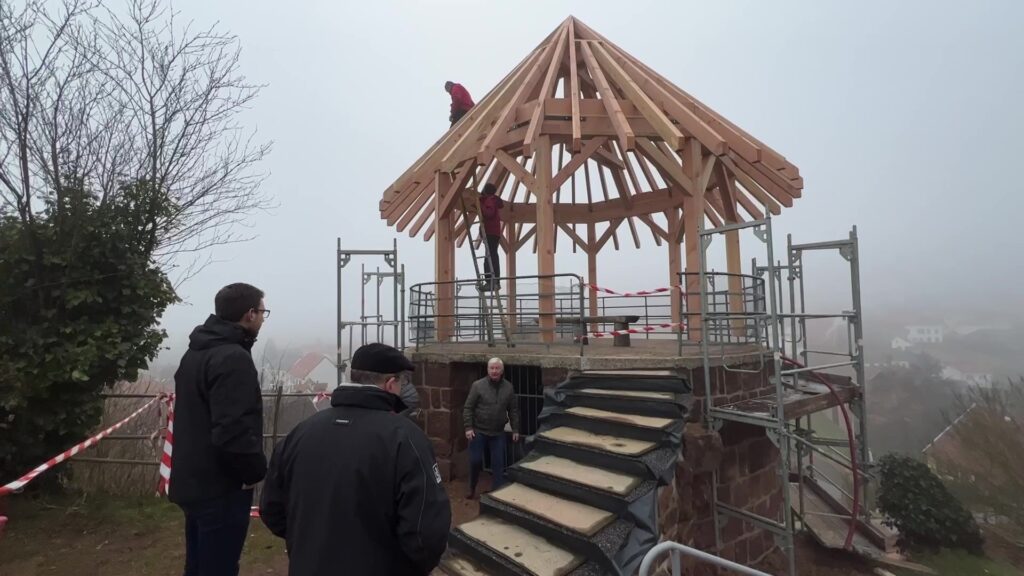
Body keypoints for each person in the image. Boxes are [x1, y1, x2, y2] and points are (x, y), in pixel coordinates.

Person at [261, 343, 451, 576]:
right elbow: (426, 533)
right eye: (402, 383)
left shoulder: (301, 432)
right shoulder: (407, 438)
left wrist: (308, 546)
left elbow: (271, 509)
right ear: (391, 384)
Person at [169, 283, 269, 576]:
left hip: (192, 479)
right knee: (219, 567)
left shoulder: (197, 352)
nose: (263, 318)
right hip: (221, 485)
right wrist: (253, 472)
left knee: (199, 565)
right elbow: (232, 428)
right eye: (263, 312)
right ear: (249, 314)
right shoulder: (232, 358)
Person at [463, 357, 519, 499]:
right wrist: (468, 427)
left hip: (498, 432)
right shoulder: (477, 386)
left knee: (498, 464)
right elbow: (468, 407)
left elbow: (513, 410)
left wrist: (515, 429)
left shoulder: (508, 387)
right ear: (487, 370)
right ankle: (471, 487)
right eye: (491, 368)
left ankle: (497, 493)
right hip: (478, 430)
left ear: (502, 370)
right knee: (475, 461)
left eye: (497, 368)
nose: (494, 371)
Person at [479, 183, 504, 291]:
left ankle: (490, 282)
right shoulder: (494, 200)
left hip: (490, 232)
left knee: (489, 257)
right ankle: (495, 282)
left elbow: (489, 213)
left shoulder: (489, 200)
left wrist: (480, 205)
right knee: (492, 255)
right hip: (495, 232)